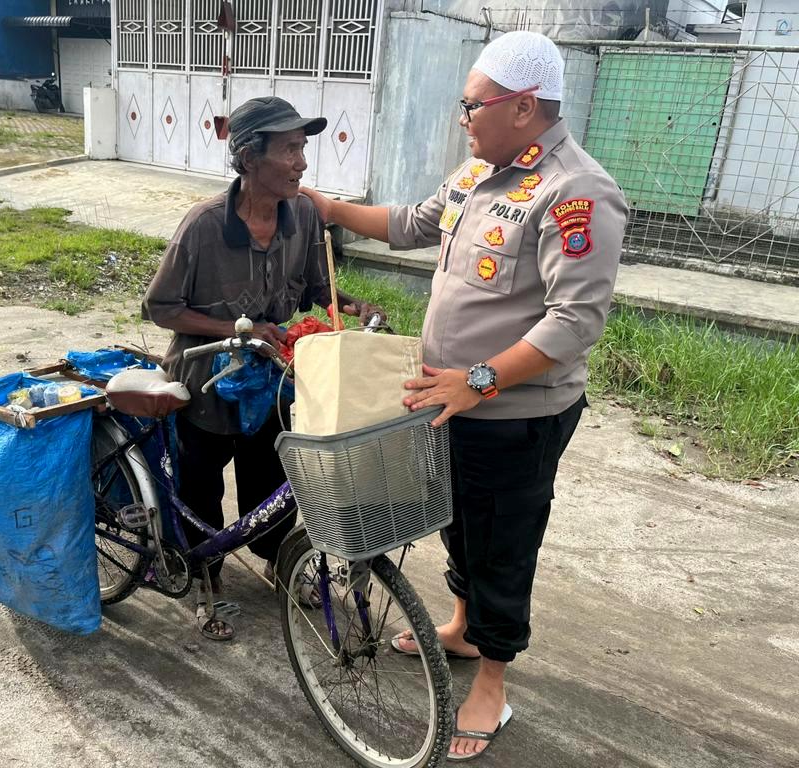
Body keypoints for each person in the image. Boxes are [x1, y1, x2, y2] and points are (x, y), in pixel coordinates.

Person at [303, 31, 628, 760]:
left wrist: (476, 380)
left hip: (514, 414)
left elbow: (576, 322)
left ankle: (492, 681)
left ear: (521, 107)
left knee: (505, 544)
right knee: (455, 520)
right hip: (448, 401)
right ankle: (459, 623)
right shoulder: (482, 169)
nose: (462, 117)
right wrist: (331, 210)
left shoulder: (575, 191)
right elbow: (415, 223)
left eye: (471, 104)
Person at [142, 96, 382, 642]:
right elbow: (160, 308)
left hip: (273, 378)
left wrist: (350, 306)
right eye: (290, 150)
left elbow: (318, 286)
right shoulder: (203, 226)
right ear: (249, 159)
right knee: (200, 481)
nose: (301, 163)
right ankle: (205, 574)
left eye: (303, 149)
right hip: (206, 382)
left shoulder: (300, 217)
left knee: (271, 474)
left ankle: (277, 560)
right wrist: (235, 332)